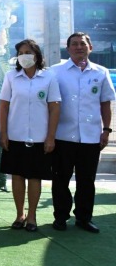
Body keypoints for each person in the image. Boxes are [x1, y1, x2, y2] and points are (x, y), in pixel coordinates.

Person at [51, 32, 115, 233]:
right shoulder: (55, 72)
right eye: (75, 44)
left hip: (91, 136)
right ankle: (61, 217)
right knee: (61, 179)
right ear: (68, 49)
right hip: (62, 135)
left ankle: (84, 218)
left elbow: (105, 103)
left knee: (87, 180)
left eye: (83, 44)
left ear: (90, 47)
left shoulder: (101, 72)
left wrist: (106, 130)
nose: (79, 47)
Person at [0, 38, 61, 233]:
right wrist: (4, 133)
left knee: (35, 177)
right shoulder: (11, 77)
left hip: (40, 138)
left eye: (29, 52)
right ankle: (20, 214)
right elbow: (3, 106)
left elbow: (54, 108)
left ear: (37, 55)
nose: (25, 56)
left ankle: (32, 216)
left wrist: (51, 137)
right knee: (17, 176)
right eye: (21, 53)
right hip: (15, 136)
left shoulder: (49, 77)